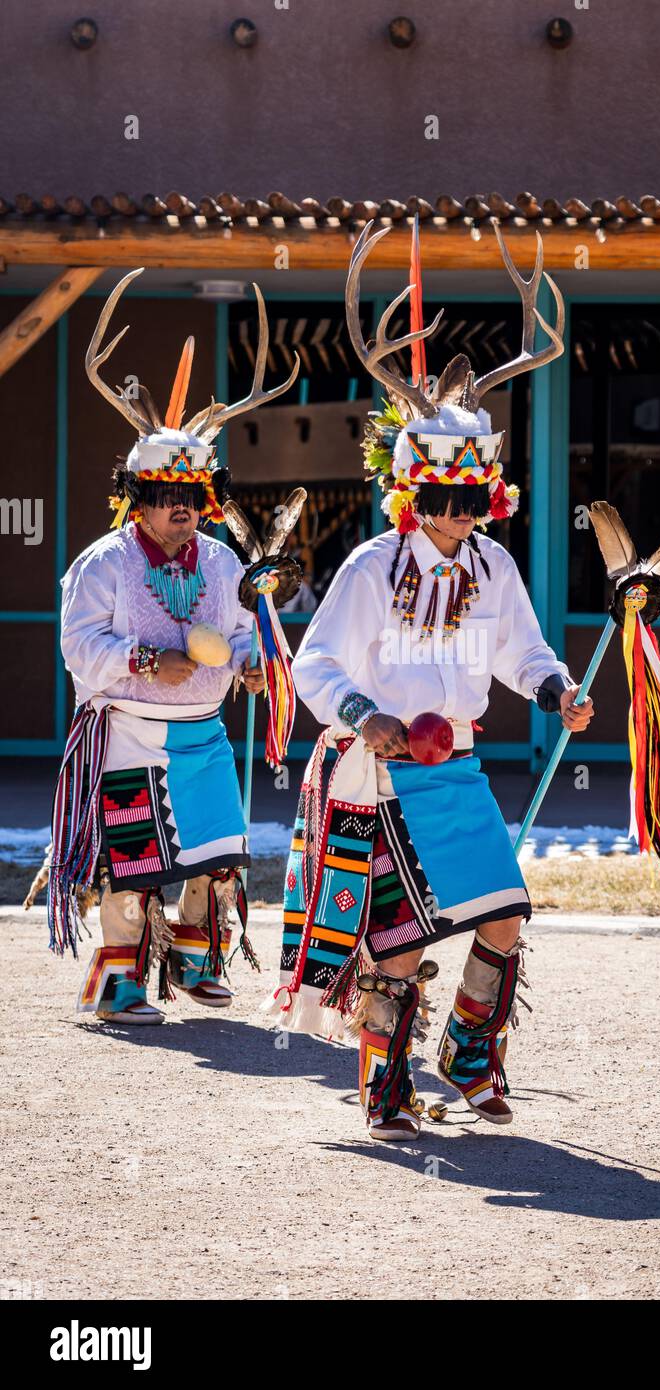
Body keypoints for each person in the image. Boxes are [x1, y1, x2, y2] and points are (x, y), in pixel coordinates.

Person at [271, 221, 594, 1139]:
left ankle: (469, 1052)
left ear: (488, 495)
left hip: (453, 772)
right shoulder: (372, 566)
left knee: (503, 916)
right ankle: (385, 1087)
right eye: (440, 499)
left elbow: (522, 651)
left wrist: (554, 691)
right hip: (379, 776)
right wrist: (365, 714)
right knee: (402, 943)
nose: (457, 514)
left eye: (471, 498)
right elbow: (315, 662)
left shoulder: (493, 566)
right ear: (413, 494)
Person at [48, 269, 300, 1024]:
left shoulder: (221, 563)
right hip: (126, 732)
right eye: (163, 495)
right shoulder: (104, 562)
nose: (179, 506)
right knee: (134, 862)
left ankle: (195, 957)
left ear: (207, 499)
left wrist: (251, 661)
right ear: (137, 497)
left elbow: (243, 629)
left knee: (218, 853)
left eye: (191, 495)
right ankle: (116, 980)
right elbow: (78, 644)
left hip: (203, 733)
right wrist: (148, 660)